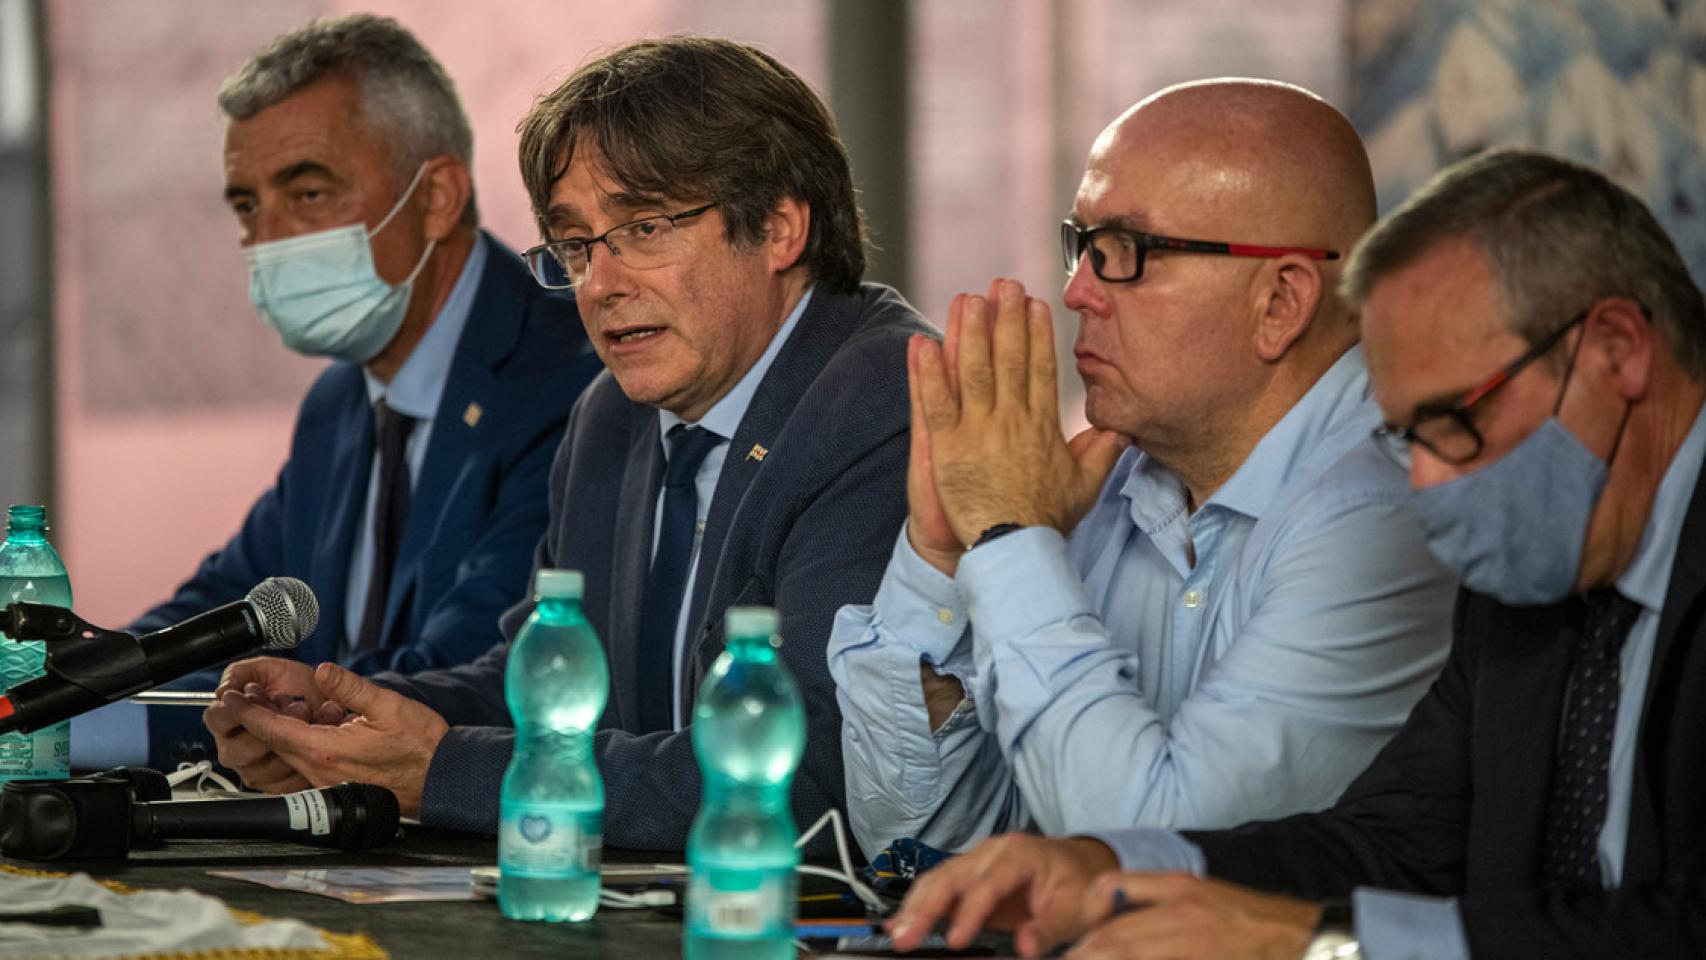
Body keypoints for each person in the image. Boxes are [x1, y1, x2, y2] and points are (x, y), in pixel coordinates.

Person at [886, 149, 1706, 959]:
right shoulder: (1538, 571)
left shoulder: (1514, 537)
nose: (1425, 480)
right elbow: (1395, 843)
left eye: (1455, 420)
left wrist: (1310, 941)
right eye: (1406, 435)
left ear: (1617, 349)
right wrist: (1110, 864)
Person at [202, 36, 932, 850]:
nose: (602, 283)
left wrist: (442, 770)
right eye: (576, 244)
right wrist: (340, 720)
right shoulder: (610, 416)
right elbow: (540, 687)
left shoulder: (883, 401)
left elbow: (804, 781)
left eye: (645, 227)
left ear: (779, 227)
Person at [828, 79, 1455, 859]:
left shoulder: (1385, 512)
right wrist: (944, 555)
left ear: (1281, 302)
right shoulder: (1113, 482)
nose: (1077, 290)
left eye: (1129, 252)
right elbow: (921, 841)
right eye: (1082, 243)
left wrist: (1014, 534)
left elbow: (1155, 853)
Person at [70, 14, 601, 773]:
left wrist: (93, 735)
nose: (270, 239)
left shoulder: (573, 379)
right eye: (248, 207)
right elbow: (219, 615)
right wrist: (64, 685)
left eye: (308, 191)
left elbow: (462, 676)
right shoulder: (340, 402)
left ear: (440, 196)